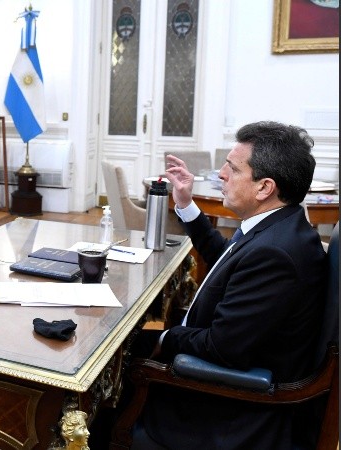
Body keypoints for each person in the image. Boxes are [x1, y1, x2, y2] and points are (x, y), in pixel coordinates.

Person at [133, 121, 327, 449]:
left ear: (265, 187)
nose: (221, 174)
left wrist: (164, 337)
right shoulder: (279, 226)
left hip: (231, 413)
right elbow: (228, 260)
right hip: (234, 374)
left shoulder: (276, 254)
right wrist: (186, 204)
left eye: (232, 168)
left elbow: (222, 348)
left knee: (115, 360)